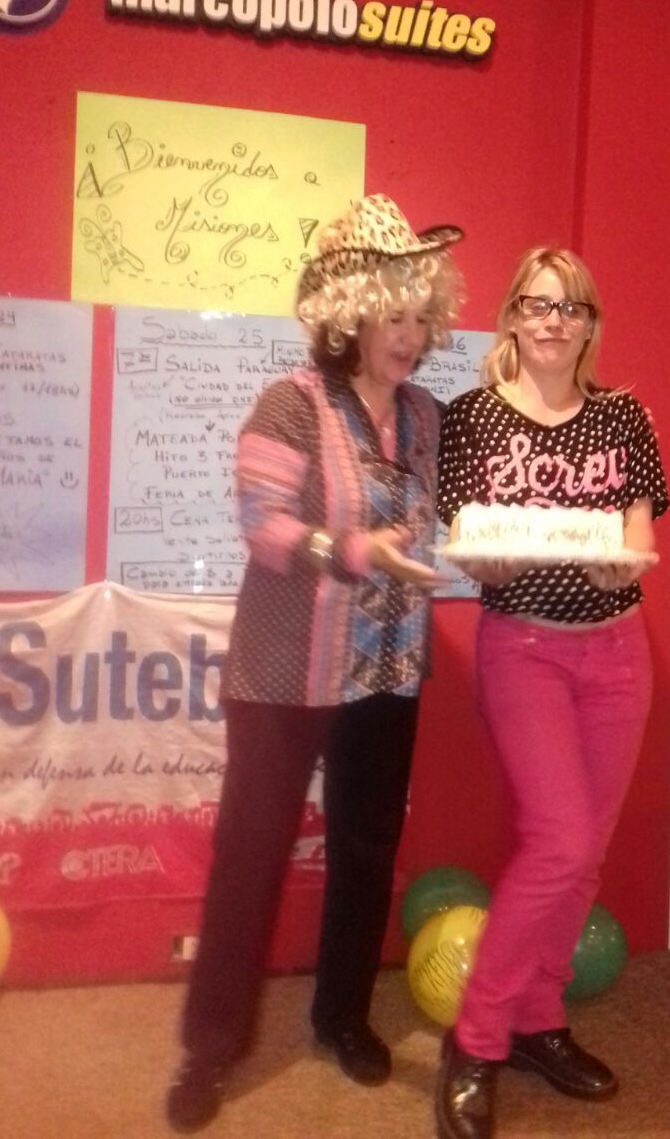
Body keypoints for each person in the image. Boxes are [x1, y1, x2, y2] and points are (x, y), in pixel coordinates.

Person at [166, 193, 463, 1133]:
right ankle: (211, 1045)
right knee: (249, 854)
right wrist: (356, 551)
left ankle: (342, 1016)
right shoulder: (288, 403)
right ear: (349, 314)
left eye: (420, 317)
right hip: (284, 671)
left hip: (387, 670)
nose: (410, 336)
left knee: (366, 849)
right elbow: (264, 527)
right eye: (392, 316)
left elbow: (446, 517)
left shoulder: (427, 416)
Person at [433, 246, 668, 1139]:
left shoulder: (622, 417)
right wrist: (490, 560)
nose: (553, 321)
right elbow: (472, 543)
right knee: (559, 841)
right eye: (537, 304)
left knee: (585, 854)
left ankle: (537, 1018)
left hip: (616, 654)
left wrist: (623, 564)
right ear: (510, 316)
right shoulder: (472, 417)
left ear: (590, 325)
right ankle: (476, 1036)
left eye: (571, 307)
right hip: (524, 649)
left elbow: (637, 538)